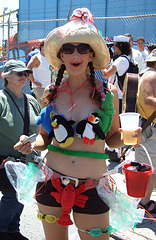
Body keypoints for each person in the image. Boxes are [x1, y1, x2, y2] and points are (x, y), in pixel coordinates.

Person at [14, 8, 142, 240]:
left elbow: (112, 139)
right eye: (68, 48)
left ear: (91, 55)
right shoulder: (52, 93)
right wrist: (32, 143)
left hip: (92, 187)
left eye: (83, 48)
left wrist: (129, 136)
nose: (76, 53)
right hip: (51, 183)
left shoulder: (106, 93)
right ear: (61, 56)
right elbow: (44, 138)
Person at [0, 60, 41, 240]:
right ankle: (1, 229)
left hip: (29, 159)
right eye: (19, 73)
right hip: (6, 161)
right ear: (6, 76)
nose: (24, 76)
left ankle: (13, 230)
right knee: (12, 197)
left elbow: (40, 129)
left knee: (22, 195)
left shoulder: (31, 100)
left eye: (26, 73)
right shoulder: (1, 99)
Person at [102, 35, 131, 162]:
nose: (113, 47)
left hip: (117, 95)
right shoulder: (123, 59)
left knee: (115, 124)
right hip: (118, 94)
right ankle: (114, 152)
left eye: (114, 45)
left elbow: (107, 74)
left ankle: (117, 152)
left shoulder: (121, 60)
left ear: (120, 46)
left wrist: (101, 64)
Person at [135, 49, 156, 214]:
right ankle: (144, 201)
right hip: (151, 131)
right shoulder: (151, 76)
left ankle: (145, 200)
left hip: (149, 129)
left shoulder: (148, 74)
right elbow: (149, 101)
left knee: (150, 168)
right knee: (149, 168)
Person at [27, 40, 52, 107]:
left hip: (50, 87)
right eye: (45, 46)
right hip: (40, 88)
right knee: (43, 108)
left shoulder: (50, 57)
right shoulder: (37, 57)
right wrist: (33, 81)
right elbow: (28, 68)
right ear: (41, 47)